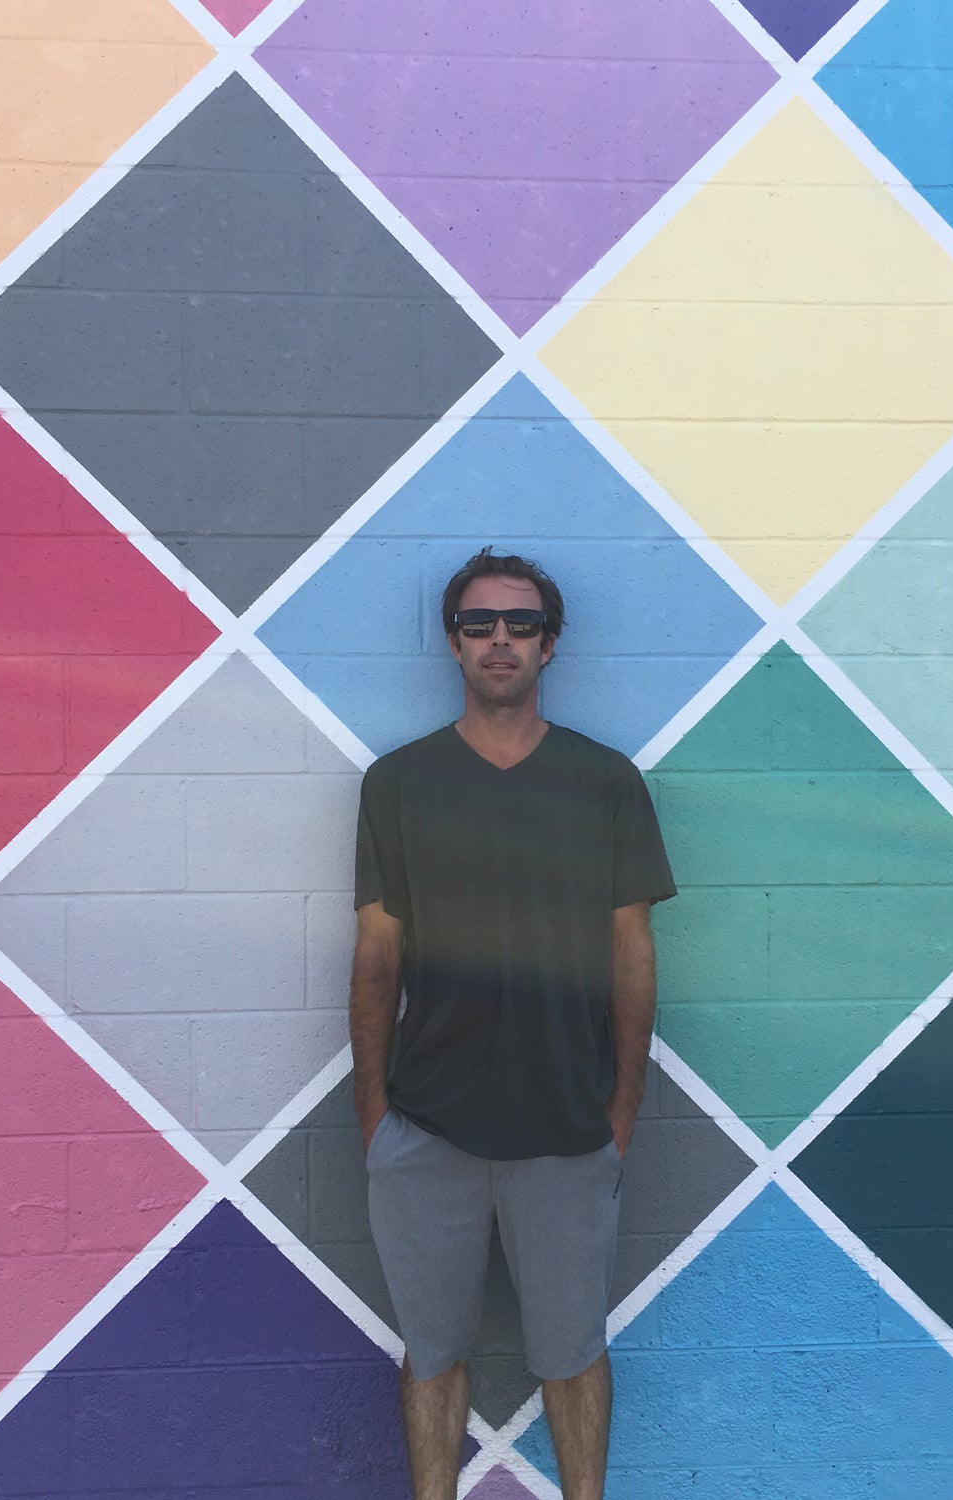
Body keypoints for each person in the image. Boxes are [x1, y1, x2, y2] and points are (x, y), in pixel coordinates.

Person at [350, 547, 676, 1500]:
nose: (500, 641)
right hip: (427, 1127)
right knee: (432, 1355)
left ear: (549, 645)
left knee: (572, 1357)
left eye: (520, 624)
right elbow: (377, 956)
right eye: (480, 624)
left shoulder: (604, 781)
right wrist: (377, 1115)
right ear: (453, 643)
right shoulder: (399, 784)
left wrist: (619, 1108)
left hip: (569, 1132)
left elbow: (633, 954)